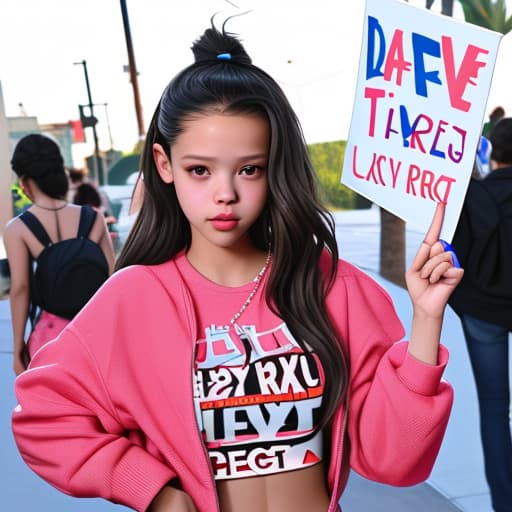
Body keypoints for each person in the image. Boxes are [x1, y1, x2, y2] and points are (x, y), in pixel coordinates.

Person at [11, 25, 463, 512]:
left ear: (273, 166)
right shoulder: (135, 298)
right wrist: (153, 491)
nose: (225, 193)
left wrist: (425, 319)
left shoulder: (332, 286)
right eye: (200, 170)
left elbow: (394, 462)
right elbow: (43, 418)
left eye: (249, 169)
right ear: (164, 164)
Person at [3, 134, 115, 376]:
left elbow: (20, 289)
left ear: (25, 182)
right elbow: (112, 278)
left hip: (52, 338)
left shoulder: (18, 228)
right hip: (98, 332)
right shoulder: (93, 218)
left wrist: (18, 347)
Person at [449, 118, 512, 512]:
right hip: (484, 312)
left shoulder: (472, 197)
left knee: (494, 412)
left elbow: (456, 260)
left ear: (495, 153)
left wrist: (466, 307)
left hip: (483, 314)